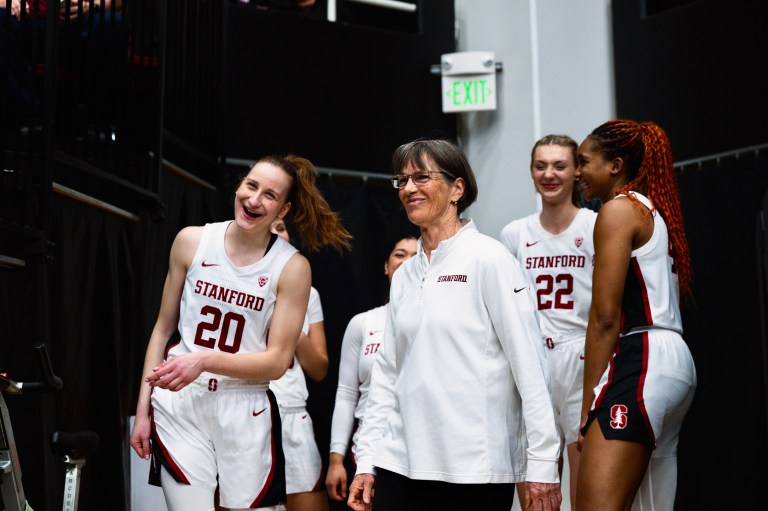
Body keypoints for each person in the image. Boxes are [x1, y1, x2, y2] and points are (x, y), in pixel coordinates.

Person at [347, 137, 562, 511]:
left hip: (475, 469)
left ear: (457, 189)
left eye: (422, 177)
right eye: (402, 180)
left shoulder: (490, 259)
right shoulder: (404, 276)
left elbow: (530, 366)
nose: (409, 188)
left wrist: (542, 463)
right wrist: (367, 459)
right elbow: (385, 375)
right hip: (399, 462)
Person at [129, 154, 352, 511]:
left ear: (283, 209)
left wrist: (204, 360)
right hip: (181, 405)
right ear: (239, 184)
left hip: (246, 406)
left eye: (269, 195)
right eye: (251, 185)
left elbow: (279, 362)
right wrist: (143, 411)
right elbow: (161, 330)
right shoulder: (191, 241)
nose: (254, 199)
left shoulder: (292, 268)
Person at [574, 119, 696, 511]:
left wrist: (589, 403)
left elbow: (605, 319)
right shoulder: (653, 211)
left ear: (615, 165)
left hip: (643, 356)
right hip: (673, 361)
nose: (577, 172)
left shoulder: (619, 210)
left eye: (583, 161)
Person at [500, 134, 597, 510]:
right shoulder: (515, 234)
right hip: (532, 359)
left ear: (576, 171)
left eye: (559, 165)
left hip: (582, 355)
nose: (549, 174)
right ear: (531, 172)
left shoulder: (594, 225)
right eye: (541, 166)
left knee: (585, 485)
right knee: (537, 487)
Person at [324, 236, 418, 503]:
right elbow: (346, 394)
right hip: (368, 451)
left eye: (415, 255)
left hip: (418, 452)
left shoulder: (439, 321)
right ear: (386, 267)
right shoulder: (363, 323)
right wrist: (336, 459)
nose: (407, 261)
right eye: (400, 254)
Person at [267, 217, 331, 511]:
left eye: (280, 227)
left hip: (293, 414)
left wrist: (290, 321)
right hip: (247, 413)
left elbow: (319, 369)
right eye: (269, 228)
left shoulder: (311, 293)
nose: (276, 234)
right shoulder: (235, 283)